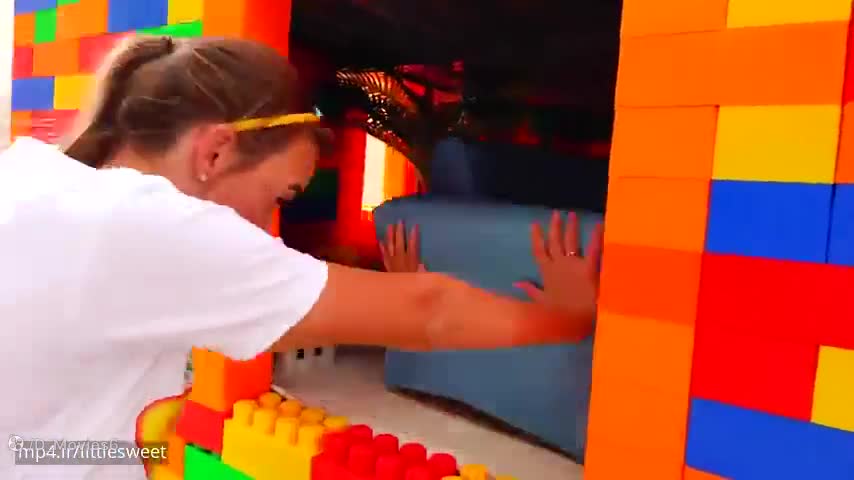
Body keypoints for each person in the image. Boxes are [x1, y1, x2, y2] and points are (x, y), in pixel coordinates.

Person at [0, 36, 603, 479]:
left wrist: (142, 454)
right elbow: (430, 310)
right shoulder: (152, 225)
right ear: (215, 152)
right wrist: (567, 319)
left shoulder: (31, 171)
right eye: (280, 197)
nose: (269, 227)